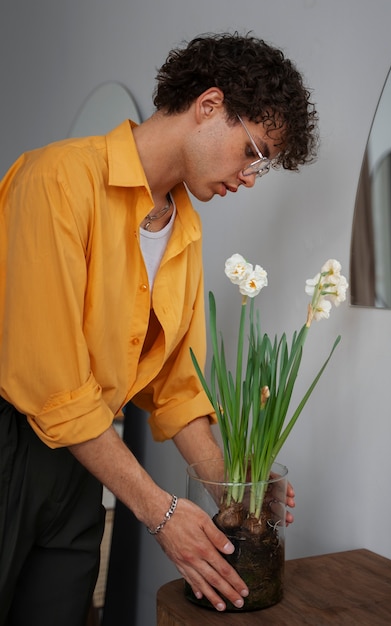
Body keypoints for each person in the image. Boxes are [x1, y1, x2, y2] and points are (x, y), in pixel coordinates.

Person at [0, 32, 318, 625]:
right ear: (207, 105)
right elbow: (51, 389)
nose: (251, 176)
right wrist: (160, 511)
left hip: (84, 463)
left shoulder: (185, 230)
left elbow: (176, 390)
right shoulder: (57, 181)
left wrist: (238, 498)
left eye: (263, 165)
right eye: (253, 151)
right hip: (13, 444)